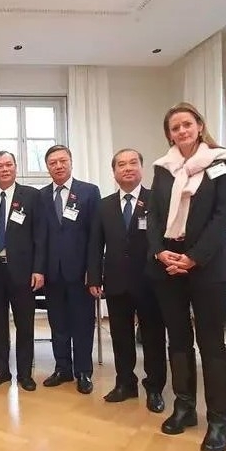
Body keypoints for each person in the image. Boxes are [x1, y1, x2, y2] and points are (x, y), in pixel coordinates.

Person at [147, 102, 226, 451]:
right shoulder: (163, 169)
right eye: (175, 128)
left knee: (211, 345)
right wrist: (160, 252)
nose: (182, 131)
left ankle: (219, 418)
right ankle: (185, 406)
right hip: (168, 264)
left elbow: (221, 217)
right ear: (169, 134)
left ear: (199, 126)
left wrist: (193, 258)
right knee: (179, 341)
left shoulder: (222, 163)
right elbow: (154, 216)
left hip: (210, 265)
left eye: (187, 125)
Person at [87, 148, 166, 413]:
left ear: (141, 168)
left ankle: (154, 387)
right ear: (114, 172)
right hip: (116, 281)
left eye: (133, 163)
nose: (127, 168)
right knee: (120, 336)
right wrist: (94, 277)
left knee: (153, 337)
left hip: (151, 282)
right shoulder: (104, 205)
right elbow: (95, 246)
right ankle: (125, 383)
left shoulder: (156, 200)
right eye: (121, 164)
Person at [0, 151, 45, 391]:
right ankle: (0, 370)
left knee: (25, 324)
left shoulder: (32, 196)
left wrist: (38, 269)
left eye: (9, 165)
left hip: (23, 272)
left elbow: (40, 236)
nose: (4, 169)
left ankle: (25, 373)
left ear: (15, 167)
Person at [38, 145, 100, 394]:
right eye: (53, 163)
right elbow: (39, 238)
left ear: (71, 162)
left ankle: (83, 371)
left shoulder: (88, 192)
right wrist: (39, 269)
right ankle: (62, 367)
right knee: (58, 322)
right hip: (52, 273)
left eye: (63, 161)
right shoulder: (40, 196)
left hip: (80, 272)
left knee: (83, 323)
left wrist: (94, 272)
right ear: (47, 167)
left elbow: (96, 237)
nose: (58, 166)